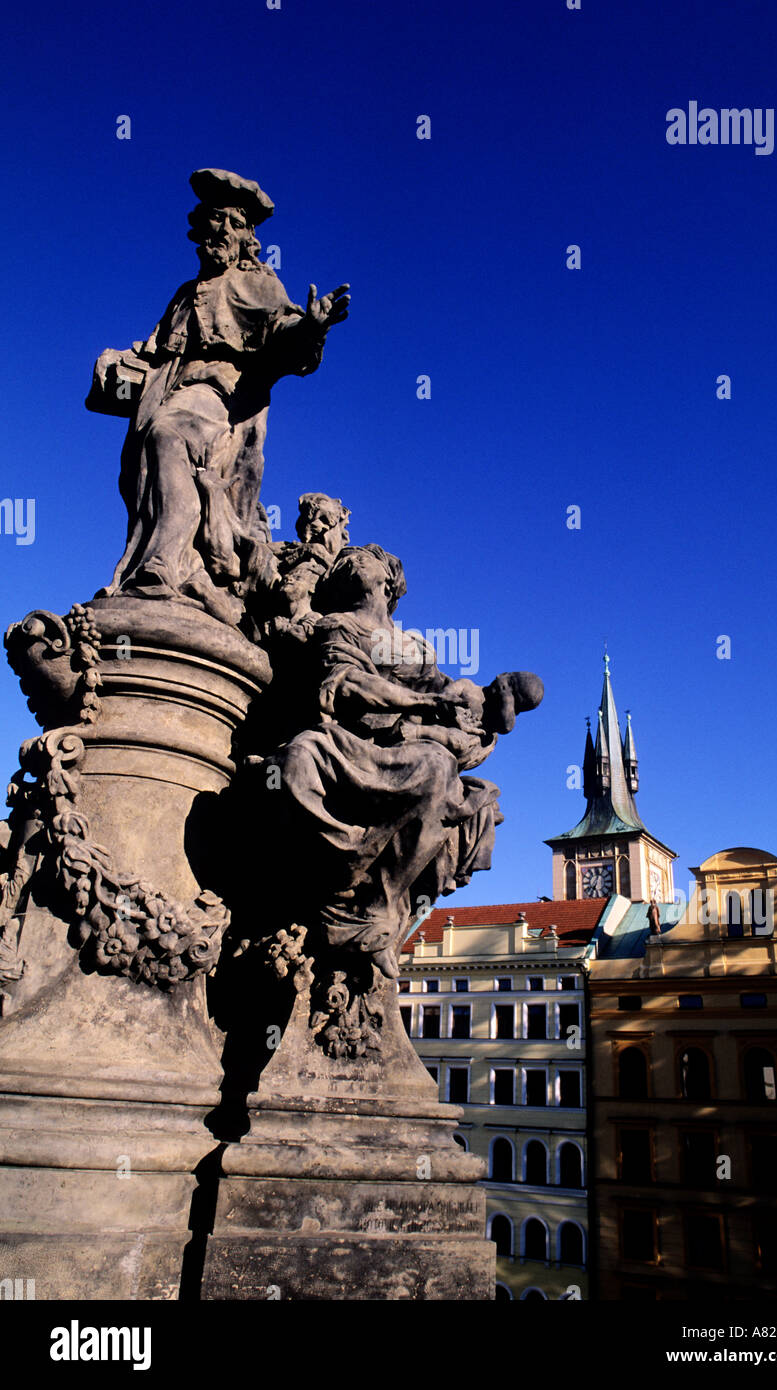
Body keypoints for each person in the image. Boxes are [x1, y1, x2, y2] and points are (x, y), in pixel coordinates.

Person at [86, 168, 349, 624]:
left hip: (219, 397)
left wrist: (312, 327)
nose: (221, 230)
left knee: (168, 438)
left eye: (232, 222)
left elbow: (282, 335)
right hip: (165, 390)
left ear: (247, 235)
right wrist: (120, 367)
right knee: (149, 458)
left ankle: (165, 565)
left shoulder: (258, 282)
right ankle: (173, 565)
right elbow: (156, 350)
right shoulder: (185, 294)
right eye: (213, 221)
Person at [267, 544, 542, 977]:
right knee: (298, 758)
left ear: (389, 584)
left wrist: (465, 720)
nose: (360, 564)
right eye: (352, 563)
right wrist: (426, 702)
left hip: (404, 748)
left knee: (444, 773)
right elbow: (347, 684)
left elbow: (450, 697)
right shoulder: (338, 626)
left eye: (371, 562)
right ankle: (347, 868)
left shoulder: (413, 647)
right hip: (353, 740)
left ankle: (378, 907)